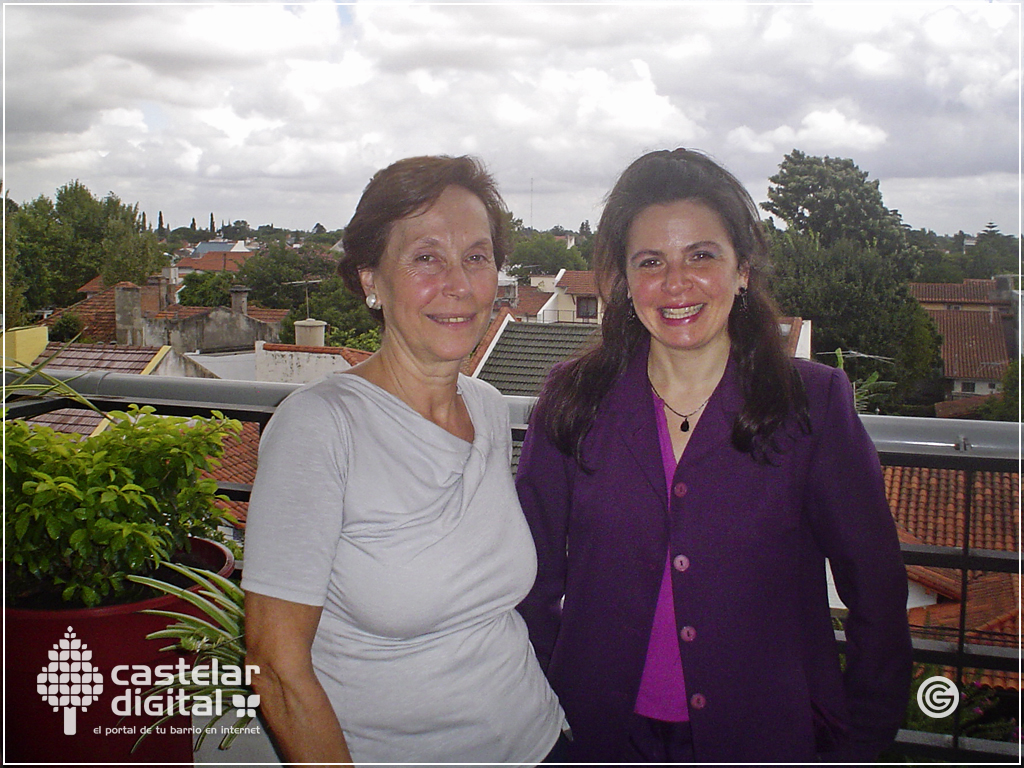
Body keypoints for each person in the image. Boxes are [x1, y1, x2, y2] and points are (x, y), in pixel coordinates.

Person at [515, 148, 912, 763]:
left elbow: (878, 594)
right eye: (651, 262)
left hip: (768, 738)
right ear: (623, 281)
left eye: (702, 255)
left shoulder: (812, 403)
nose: (677, 283)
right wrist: (548, 721)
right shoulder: (573, 399)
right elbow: (530, 582)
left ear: (743, 268)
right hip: (599, 738)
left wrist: (858, 745)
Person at [242, 155, 564, 765]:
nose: (459, 283)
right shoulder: (321, 427)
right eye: (425, 257)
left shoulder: (490, 408)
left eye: (476, 256)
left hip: (539, 740)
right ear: (371, 280)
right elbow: (275, 667)